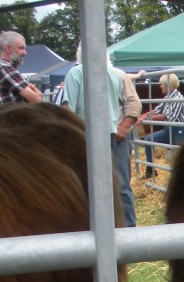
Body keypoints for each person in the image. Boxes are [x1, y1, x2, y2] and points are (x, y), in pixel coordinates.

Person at [61, 45, 142, 227]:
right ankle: (126, 229)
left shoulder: (75, 73)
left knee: (91, 184)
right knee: (119, 184)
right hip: (112, 134)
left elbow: (67, 109)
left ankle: (100, 228)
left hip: (88, 135)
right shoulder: (115, 74)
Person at [137, 73, 184, 178]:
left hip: (180, 131)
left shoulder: (178, 98)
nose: (160, 86)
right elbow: (157, 110)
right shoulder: (168, 97)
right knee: (148, 140)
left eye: (162, 84)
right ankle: (150, 170)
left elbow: (167, 116)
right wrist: (141, 116)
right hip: (169, 129)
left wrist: (146, 118)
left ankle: (183, 175)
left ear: (168, 85)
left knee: (180, 154)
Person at [0, 30, 43, 108]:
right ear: (8, 48)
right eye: (21, 48)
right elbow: (37, 101)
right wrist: (38, 93)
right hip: (17, 115)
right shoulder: (6, 69)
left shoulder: (0, 68)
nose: (25, 52)